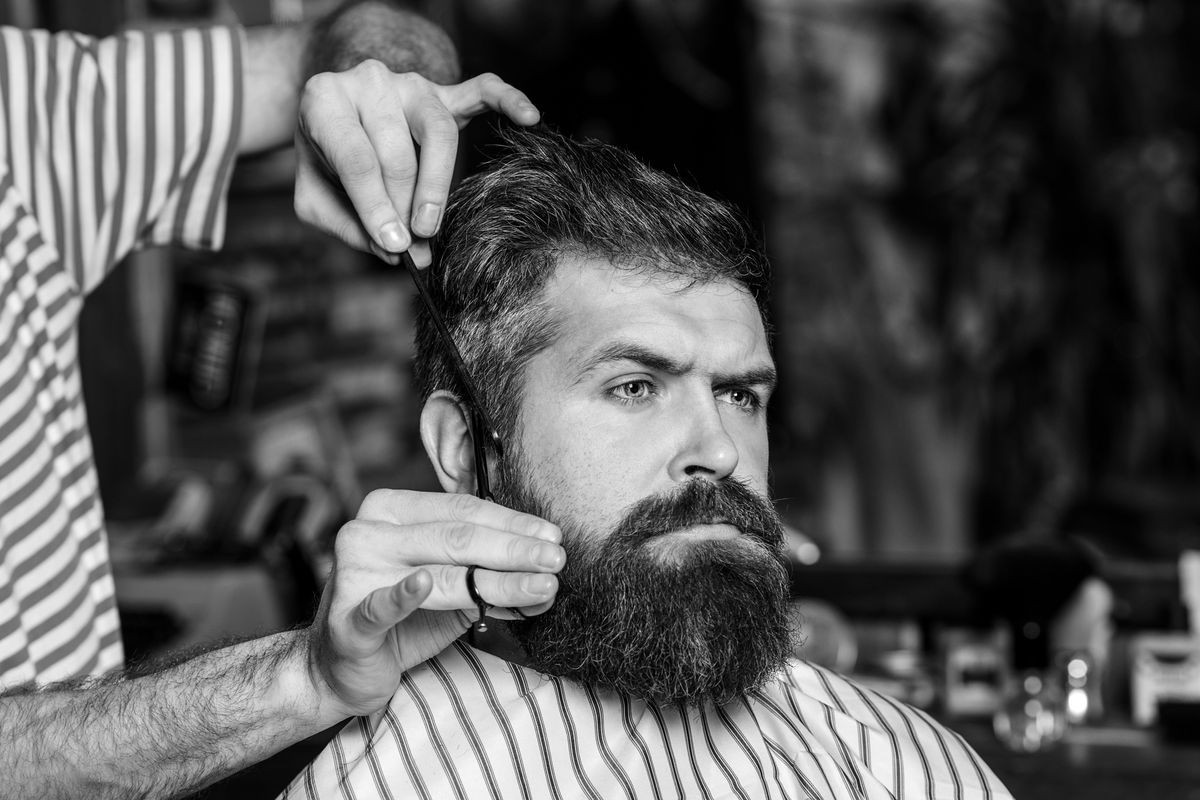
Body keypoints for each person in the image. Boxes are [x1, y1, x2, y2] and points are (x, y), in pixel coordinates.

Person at [282, 125, 1014, 799]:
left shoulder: (899, 766)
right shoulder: (393, 782)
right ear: (463, 447)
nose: (720, 451)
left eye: (740, 395)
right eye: (635, 388)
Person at [0, 2, 559, 797]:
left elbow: (352, 26)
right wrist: (303, 678)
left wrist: (367, 77)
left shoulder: (19, 111)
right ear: (458, 446)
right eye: (632, 387)